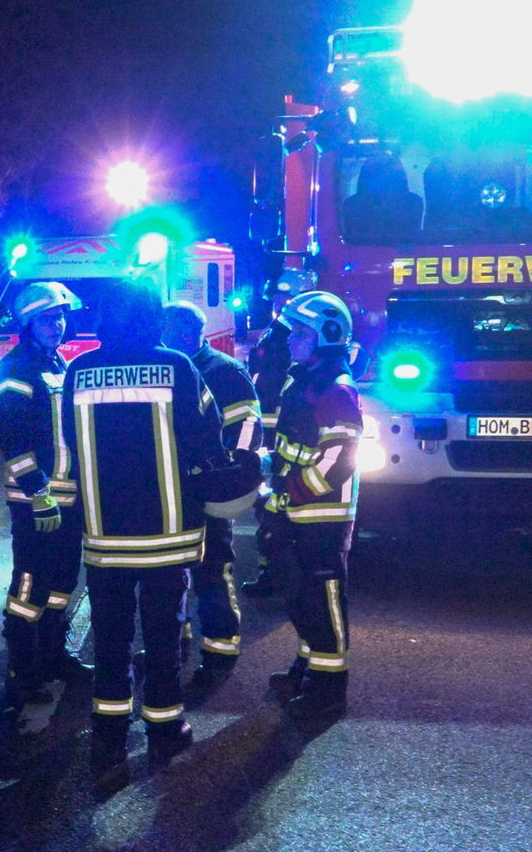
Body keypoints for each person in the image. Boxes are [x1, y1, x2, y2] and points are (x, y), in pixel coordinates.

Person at [62, 278, 224, 778]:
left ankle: (108, 741)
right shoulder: (179, 367)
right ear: (154, 315)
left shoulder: (79, 371)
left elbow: (66, 447)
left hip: (105, 537)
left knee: (110, 639)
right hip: (167, 536)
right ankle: (164, 730)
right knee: (163, 635)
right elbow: (206, 438)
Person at [262, 290, 362, 723]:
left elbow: (339, 459)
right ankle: (307, 668)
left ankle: (329, 690)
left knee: (324, 598)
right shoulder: (302, 377)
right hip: (296, 508)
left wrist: (293, 491)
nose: (291, 340)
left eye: (300, 332)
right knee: (301, 595)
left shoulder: (336, 388)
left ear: (327, 335)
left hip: (323, 513)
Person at [0, 281, 92, 713]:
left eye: (61, 317)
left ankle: (54, 656)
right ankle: (21, 672)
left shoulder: (58, 364)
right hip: (36, 503)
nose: (58, 325)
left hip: (68, 499)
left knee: (62, 583)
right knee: (29, 585)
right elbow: (13, 441)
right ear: (29, 324)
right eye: (49, 319)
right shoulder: (16, 371)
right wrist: (38, 494)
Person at [162, 301, 262, 691]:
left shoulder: (224, 371)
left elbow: (248, 429)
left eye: (165, 329)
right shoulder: (170, 367)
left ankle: (220, 652)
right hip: (175, 489)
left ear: (187, 332)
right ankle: (178, 640)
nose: (160, 337)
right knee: (173, 570)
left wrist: (225, 470)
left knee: (212, 568)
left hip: (210, 488)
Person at [241, 267, 314, 599]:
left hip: (285, 433)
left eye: (286, 298)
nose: (279, 304)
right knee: (266, 507)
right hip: (269, 433)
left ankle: (283, 575)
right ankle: (270, 571)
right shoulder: (277, 331)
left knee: (279, 508)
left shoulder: (300, 336)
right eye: (277, 298)